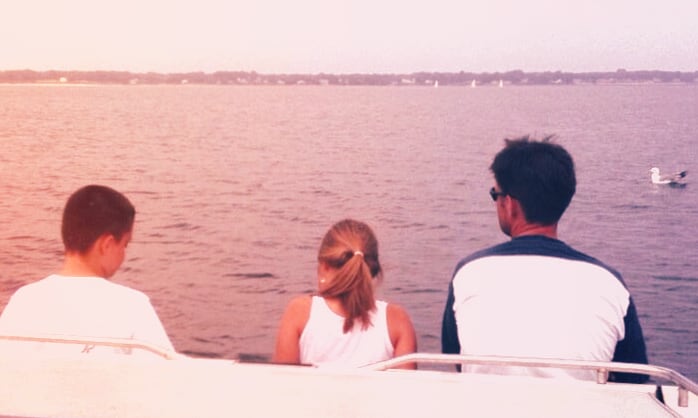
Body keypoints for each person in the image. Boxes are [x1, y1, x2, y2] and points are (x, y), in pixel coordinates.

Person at [441, 136, 648, 383]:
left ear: (509, 204)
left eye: (494, 194)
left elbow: (456, 360)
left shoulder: (470, 273)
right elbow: (634, 380)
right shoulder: (609, 283)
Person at [0, 185, 175, 356]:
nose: (124, 254)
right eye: (125, 245)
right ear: (106, 245)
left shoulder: (24, 300)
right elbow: (166, 378)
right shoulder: (134, 306)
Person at [273, 219, 417, 368]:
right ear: (373, 270)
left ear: (325, 266)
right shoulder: (397, 321)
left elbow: (282, 386)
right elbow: (406, 390)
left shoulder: (299, 312)